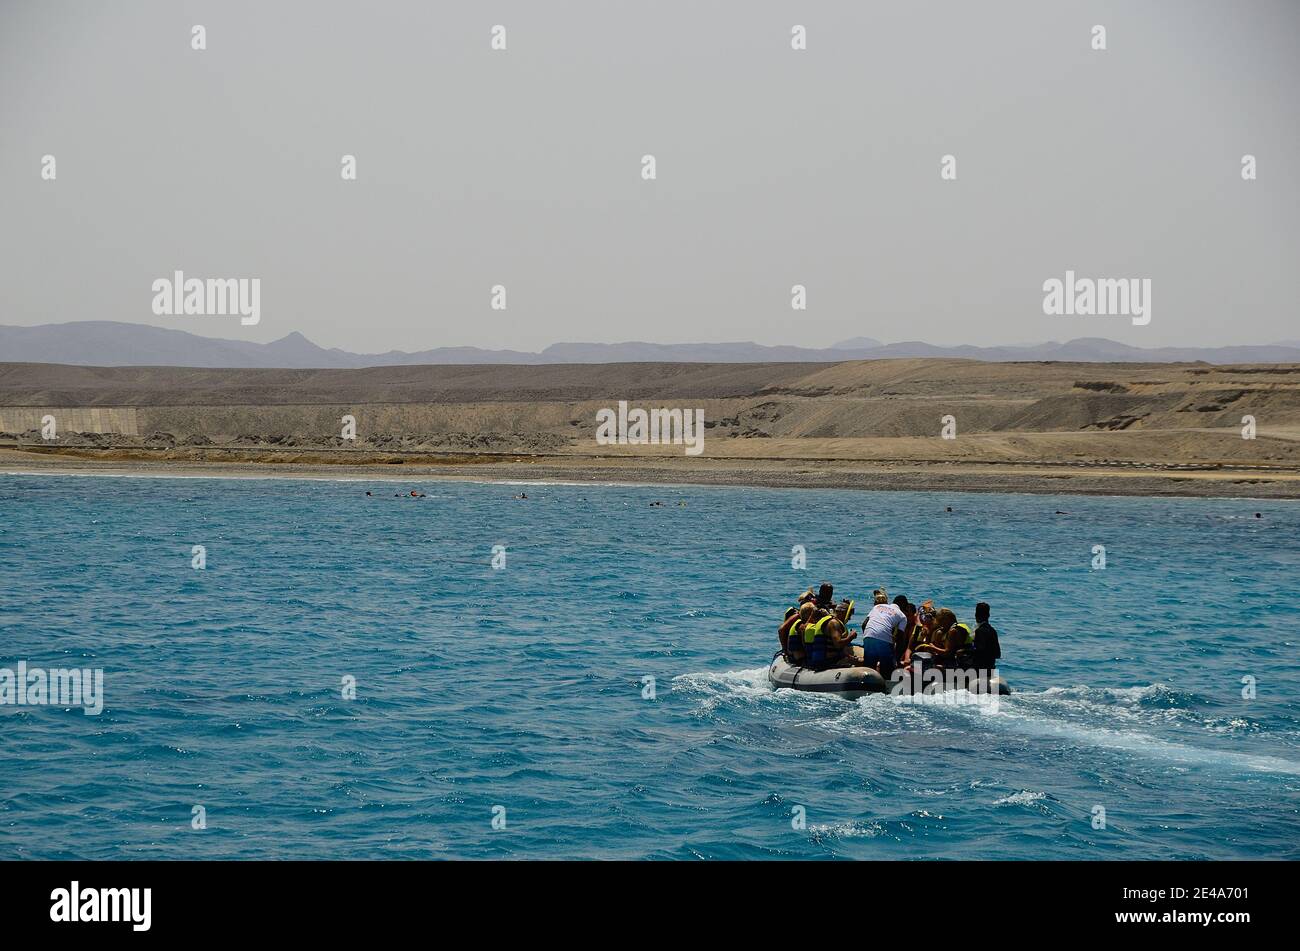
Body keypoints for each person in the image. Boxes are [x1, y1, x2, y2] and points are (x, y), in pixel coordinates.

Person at [860, 588, 906, 676]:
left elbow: (864, 624)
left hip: (868, 636)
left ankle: (867, 686)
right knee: (887, 670)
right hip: (884, 640)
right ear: (904, 607)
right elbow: (900, 638)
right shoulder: (902, 616)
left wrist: (868, 638)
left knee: (869, 667)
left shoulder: (877, 607)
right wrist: (897, 658)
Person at [970, 601, 1002, 676]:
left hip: (980, 670)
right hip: (991, 668)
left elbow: (979, 651)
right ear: (988, 615)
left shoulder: (979, 631)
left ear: (976, 615)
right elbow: (998, 654)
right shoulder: (993, 631)